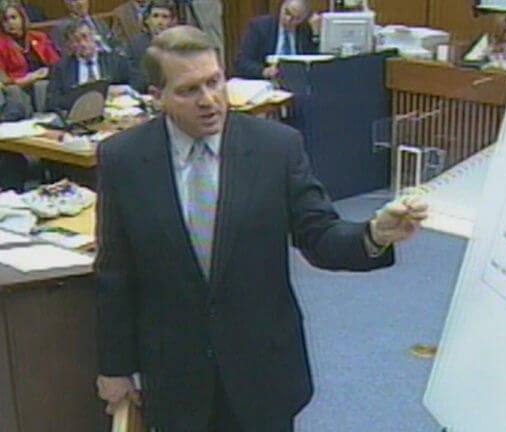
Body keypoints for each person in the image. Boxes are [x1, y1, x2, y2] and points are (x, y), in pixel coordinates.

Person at [94, 25, 427, 431]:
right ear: (157, 96)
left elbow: (319, 235)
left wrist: (374, 233)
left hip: (262, 370)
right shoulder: (123, 159)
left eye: (215, 82)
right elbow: (115, 273)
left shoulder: (276, 148)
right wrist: (115, 368)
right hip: (176, 375)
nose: (209, 100)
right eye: (188, 90)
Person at [46, 19, 130, 111]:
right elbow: (51, 102)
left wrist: (120, 89)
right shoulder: (61, 68)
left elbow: (134, 84)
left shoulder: (115, 60)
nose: (82, 44)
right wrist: (78, 98)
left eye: (85, 37)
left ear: (94, 37)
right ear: (70, 45)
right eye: (76, 40)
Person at [235, 0, 321, 79]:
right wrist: (264, 71)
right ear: (282, 6)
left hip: (295, 81)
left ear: (303, 19)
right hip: (266, 82)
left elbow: (314, 64)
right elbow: (242, 61)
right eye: (287, 12)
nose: (288, 19)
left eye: (296, 18)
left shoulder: (304, 30)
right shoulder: (260, 26)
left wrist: (316, 34)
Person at [0, 2, 59, 89]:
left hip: (45, 78)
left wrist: (46, 72)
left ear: (22, 18)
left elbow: (55, 62)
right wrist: (28, 79)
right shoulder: (2, 45)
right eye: (5, 20)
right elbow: (4, 79)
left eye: (13, 18)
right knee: (40, 86)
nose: (10, 23)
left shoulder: (39, 37)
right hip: (20, 86)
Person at [126, 0, 176, 92]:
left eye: (165, 17)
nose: (160, 22)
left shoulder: (179, 43)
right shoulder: (137, 45)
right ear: (147, 20)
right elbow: (138, 81)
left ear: (172, 22)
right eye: (155, 16)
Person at [50, 0, 125, 55]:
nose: (80, 3)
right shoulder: (61, 29)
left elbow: (114, 44)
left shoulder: (99, 23)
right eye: (74, 1)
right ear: (67, 4)